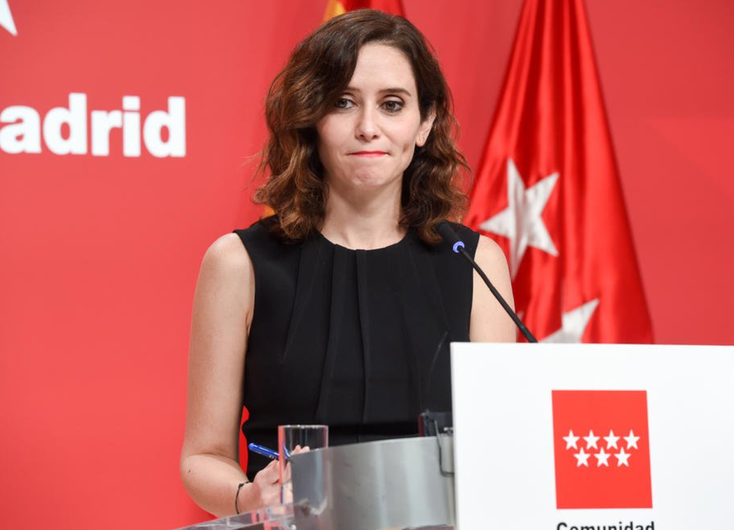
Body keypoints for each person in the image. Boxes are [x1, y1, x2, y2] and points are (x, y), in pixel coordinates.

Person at [180, 9, 516, 517]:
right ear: (311, 117)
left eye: (392, 105)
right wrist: (249, 497)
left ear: (424, 123)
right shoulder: (238, 264)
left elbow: (499, 451)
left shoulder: (476, 263)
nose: (368, 128)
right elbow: (203, 457)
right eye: (343, 102)